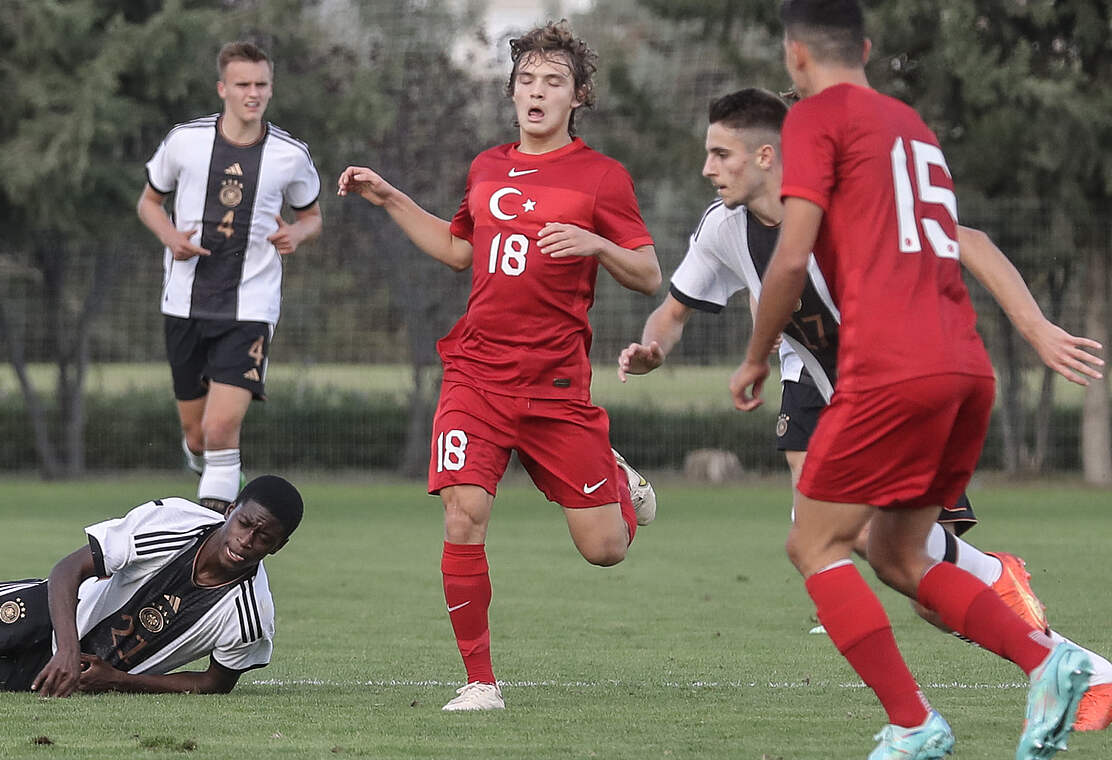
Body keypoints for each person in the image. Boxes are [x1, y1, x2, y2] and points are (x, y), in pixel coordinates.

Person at [618, 86, 1111, 732]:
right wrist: (653, 347)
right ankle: (1058, 660)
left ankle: (949, 694)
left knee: (842, 545)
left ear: (766, 155)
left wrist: (1037, 327)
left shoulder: (852, 206)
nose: (707, 169)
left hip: (912, 396)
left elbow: (969, 241)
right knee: (906, 575)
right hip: (852, 404)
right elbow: (674, 310)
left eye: (720, 154)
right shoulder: (724, 229)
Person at [724, 3, 1094, 757]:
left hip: (892, 368)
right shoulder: (912, 129)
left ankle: (914, 723)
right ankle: (1050, 661)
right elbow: (956, 237)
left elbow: (789, 260)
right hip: (964, 367)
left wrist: (757, 354)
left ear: (796, 57)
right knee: (898, 553)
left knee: (813, 543)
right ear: (864, 48)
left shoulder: (815, 120)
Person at [337, 21, 660, 712]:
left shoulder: (602, 177)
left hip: (556, 385)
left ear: (578, 96)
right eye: (527, 80)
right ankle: (481, 682)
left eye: (554, 81)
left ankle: (617, 483)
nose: (537, 92)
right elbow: (460, 251)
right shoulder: (487, 167)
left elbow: (648, 273)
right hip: (477, 373)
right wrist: (389, 197)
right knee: (464, 513)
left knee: (605, 549)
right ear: (512, 91)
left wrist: (597, 244)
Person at [0, 475, 303, 696]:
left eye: (264, 538)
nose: (247, 541)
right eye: (246, 524)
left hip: (81, 673)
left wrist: (119, 681)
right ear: (231, 511)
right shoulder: (175, 521)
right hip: (54, 607)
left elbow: (214, 684)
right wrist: (67, 647)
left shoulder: (252, 617)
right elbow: (69, 569)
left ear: (278, 547)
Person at [136, 41, 322, 509]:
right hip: (184, 303)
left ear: (271, 88)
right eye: (242, 85)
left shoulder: (289, 154)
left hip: (250, 306)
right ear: (223, 88)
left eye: (261, 84)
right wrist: (171, 238)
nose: (252, 93)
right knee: (197, 435)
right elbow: (149, 202)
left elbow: (312, 216)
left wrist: (297, 234)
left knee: (221, 429)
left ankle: (211, 534)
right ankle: (213, 468)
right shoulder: (185, 141)